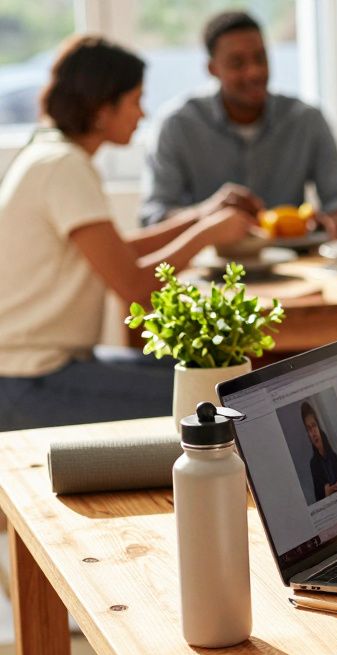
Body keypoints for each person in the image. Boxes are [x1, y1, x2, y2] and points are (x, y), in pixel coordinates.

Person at [0, 36, 254, 431]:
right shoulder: (63, 167)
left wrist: (200, 214)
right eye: (135, 100)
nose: (142, 113)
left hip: (40, 370)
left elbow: (115, 252)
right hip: (29, 380)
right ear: (102, 110)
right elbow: (133, 285)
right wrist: (206, 232)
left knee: (204, 374)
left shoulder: (51, 154)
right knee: (211, 399)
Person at [140, 10, 337, 236]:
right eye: (237, 63)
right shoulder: (177, 125)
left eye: (260, 58)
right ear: (212, 69)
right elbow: (154, 217)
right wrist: (207, 213)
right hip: (207, 263)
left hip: (291, 262)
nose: (254, 72)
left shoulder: (306, 120)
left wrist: (327, 224)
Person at [301, 402, 337, 502]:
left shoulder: (335, 457)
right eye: (309, 429)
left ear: (319, 428)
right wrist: (326, 492)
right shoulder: (313, 464)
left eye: (314, 426)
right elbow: (318, 497)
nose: (313, 432)